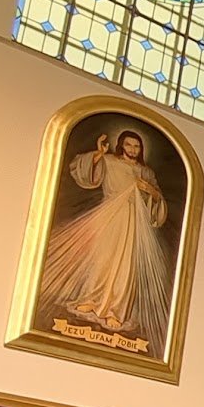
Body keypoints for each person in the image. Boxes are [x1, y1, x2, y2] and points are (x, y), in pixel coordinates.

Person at [36, 127, 174, 354]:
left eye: (136, 146)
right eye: (129, 145)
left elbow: (158, 202)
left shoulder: (145, 172)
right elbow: (82, 170)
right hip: (110, 214)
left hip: (133, 222)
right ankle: (91, 299)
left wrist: (148, 188)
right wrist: (99, 154)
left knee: (125, 269)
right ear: (121, 145)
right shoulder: (109, 161)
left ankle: (115, 311)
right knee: (102, 259)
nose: (132, 149)